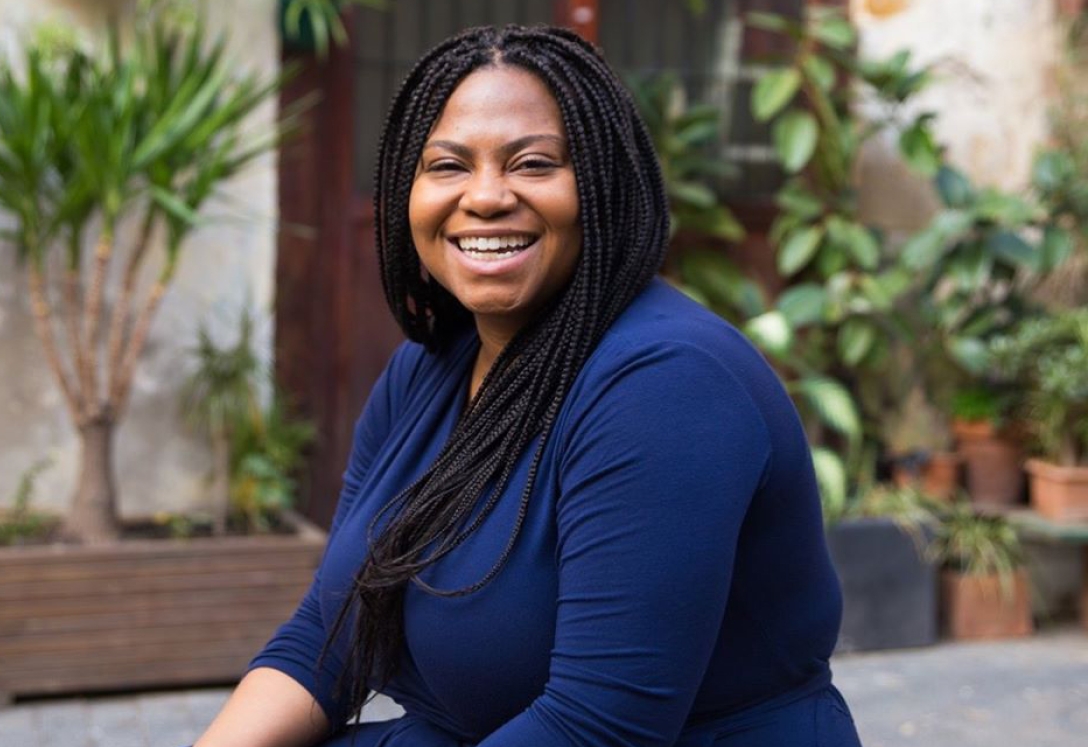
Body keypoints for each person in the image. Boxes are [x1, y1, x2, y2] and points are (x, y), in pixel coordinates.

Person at [194, 24, 861, 747]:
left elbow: (599, 727)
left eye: (534, 163)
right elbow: (326, 639)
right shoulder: (426, 372)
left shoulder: (667, 386)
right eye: (448, 165)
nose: (485, 197)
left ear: (602, 185)